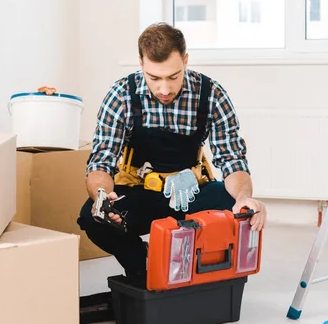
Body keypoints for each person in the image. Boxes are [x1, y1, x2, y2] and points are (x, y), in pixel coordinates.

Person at [78, 22, 266, 282]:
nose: (164, 89)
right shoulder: (121, 95)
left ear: (185, 61)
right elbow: (101, 161)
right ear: (141, 63)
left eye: (173, 76)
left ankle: (202, 269)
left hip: (189, 193)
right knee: (91, 216)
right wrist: (103, 197)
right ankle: (139, 266)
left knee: (236, 209)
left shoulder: (211, 95)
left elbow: (232, 160)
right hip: (139, 193)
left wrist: (244, 197)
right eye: (154, 78)